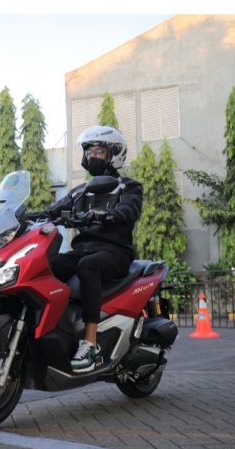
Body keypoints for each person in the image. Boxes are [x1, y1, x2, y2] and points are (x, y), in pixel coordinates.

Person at [47, 125, 142, 373]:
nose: (93, 156)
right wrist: (33, 216)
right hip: (83, 249)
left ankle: (90, 343)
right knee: (47, 266)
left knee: (88, 266)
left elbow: (130, 210)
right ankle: (53, 331)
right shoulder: (81, 191)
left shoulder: (128, 187)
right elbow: (55, 209)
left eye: (99, 151)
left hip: (115, 251)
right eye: (89, 152)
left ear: (114, 154)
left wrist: (108, 214)